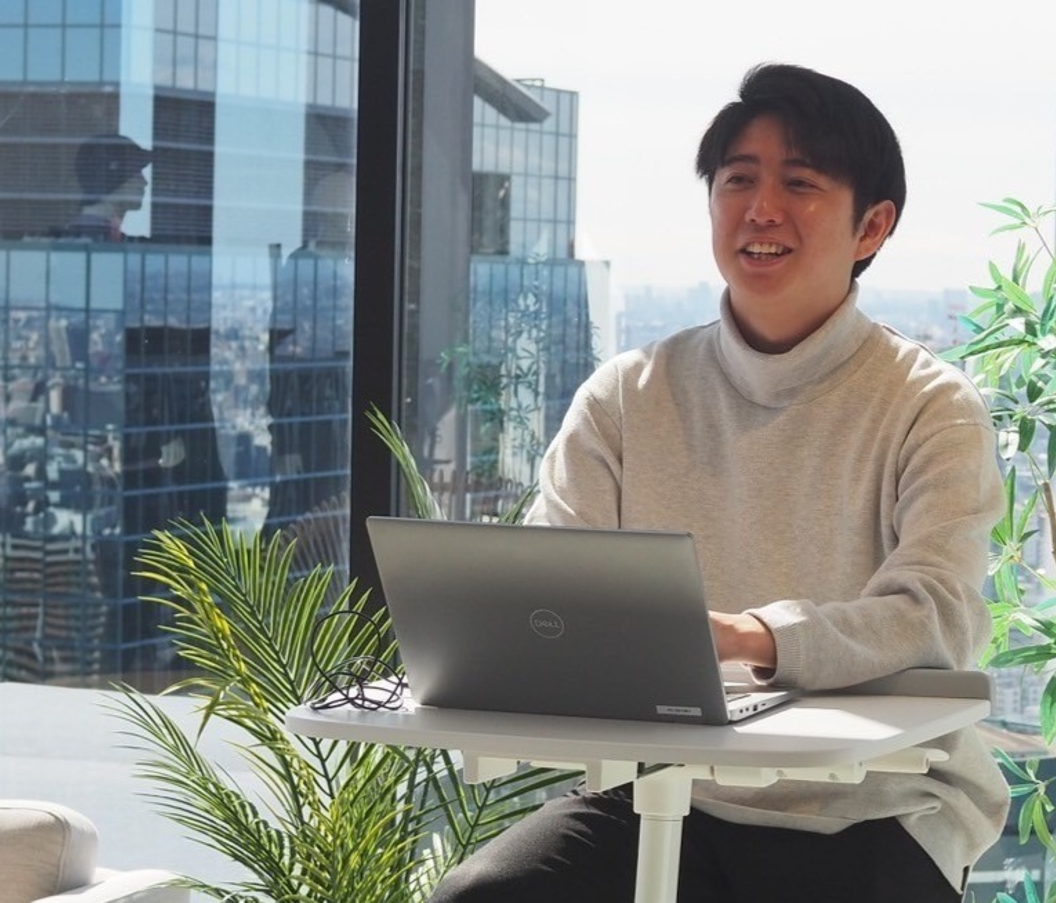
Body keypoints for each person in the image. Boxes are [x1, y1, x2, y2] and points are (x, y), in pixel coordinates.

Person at [429, 63, 1008, 902]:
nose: (760, 208)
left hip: (876, 801)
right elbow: (551, 594)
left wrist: (751, 637)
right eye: (738, 179)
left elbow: (936, 617)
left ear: (872, 226)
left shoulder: (930, 406)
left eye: (799, 183)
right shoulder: (627, 396)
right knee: (481, 895)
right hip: (663, 788)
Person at [63, 133, 152, 242]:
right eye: (137, 173)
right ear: (115, 178)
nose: (144, 182)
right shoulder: (95, 242)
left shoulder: (93, 238)